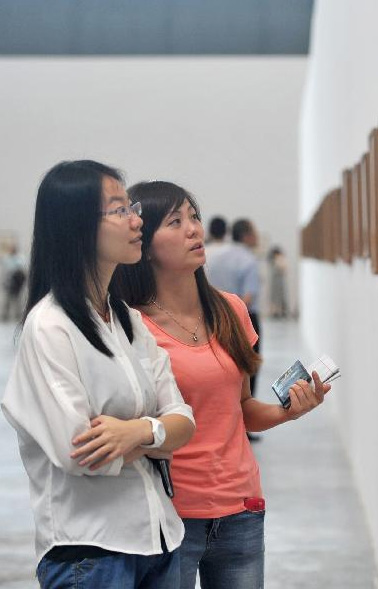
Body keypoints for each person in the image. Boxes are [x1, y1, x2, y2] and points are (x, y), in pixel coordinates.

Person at [113, 181, 330, 589]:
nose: (193, 229)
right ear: (144, 244)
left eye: (193, 217)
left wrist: (290, 410)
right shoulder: (130, 326)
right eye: (175, 222)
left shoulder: (230, 309)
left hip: (240, 508)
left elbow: (242, 409)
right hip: (169, 515)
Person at [1, 161, 196, 588]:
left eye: (132, 206)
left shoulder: (126, 319)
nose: (136, 219)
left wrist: (135, 433)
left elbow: (184, 418)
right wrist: (157, 434)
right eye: (118, 209)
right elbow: (81, 454)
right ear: (76, 226)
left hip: (158, 540)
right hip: (90, 555)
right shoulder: (49, 327)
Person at [205, 218, 262, 402]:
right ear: (247, 236)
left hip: (211, 316)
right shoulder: (248, 259)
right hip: (241, 318)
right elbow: (247, 298)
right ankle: (247, 422)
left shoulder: (211, 254)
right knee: (248, 368)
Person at [1, 242, 27, 321]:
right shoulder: (7, 258)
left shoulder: (19, 258)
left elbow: (22, 270)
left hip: (17, 284)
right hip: (8, 283)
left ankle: (17, 315)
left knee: (17, 301)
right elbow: (5, 271)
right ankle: (5, 316)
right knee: (7, 300)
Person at [267, 246, 288, 318]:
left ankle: (282, 311)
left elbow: (283, 268)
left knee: (281, 296)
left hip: (280, 280)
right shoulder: (272, 259)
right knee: (274, 297)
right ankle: (274, 311)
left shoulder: (281, 258)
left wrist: (278, 260)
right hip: (274, 280)